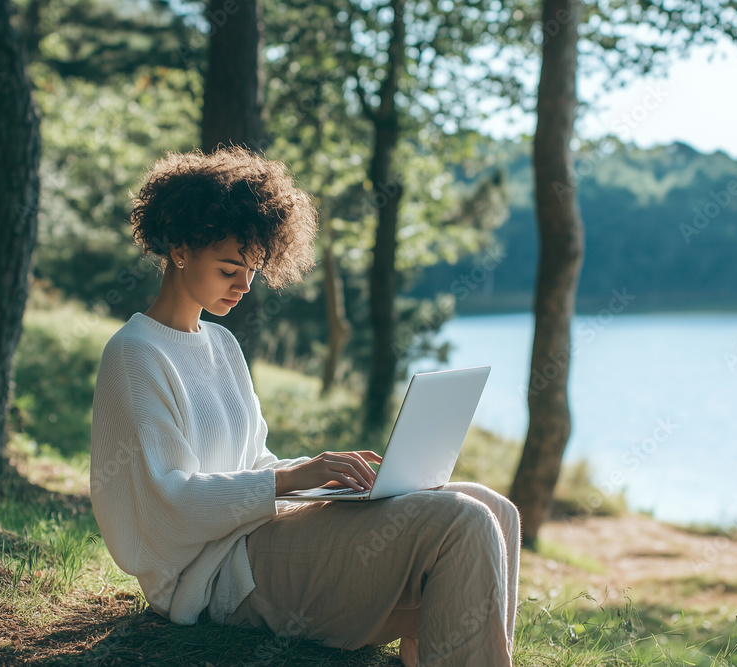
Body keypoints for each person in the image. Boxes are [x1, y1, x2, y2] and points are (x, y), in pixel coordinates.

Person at [90, 146, 521, 666]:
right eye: (229, 267)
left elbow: (256, 466)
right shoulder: (135, 355)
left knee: (497, 510)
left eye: (252, 269)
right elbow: (168, 505)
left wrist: (323, 479)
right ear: (180, 249)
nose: (244, 285)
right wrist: (290, 482)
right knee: (462, 521)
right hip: (215, 573)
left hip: (259, 536)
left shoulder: (222, 345)